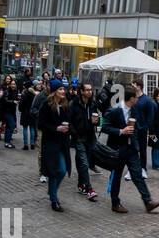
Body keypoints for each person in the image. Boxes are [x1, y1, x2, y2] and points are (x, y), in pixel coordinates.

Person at [102, 85, 159, 214]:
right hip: (117, 148)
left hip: (131, 148)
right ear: (131, 99)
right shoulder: (114, 110)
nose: (138, 99)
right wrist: (120, 131)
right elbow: (104, 127)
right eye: (136, 97)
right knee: (117, 176)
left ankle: (148, 201)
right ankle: (115, 203)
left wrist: (142, 132)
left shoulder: (134, 109)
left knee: (137, 174)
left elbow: (139, 124)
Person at [37, 80, 73, 212]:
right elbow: (41, 124)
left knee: (62, 170)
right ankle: (54, 200)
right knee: (53, 171)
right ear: (54, 91)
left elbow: (69, 121)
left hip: (62, 143)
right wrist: (56, 128)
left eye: (64, 89)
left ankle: (52, 192)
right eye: (60, 89)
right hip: (50, 143)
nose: (63, 92)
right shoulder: (46, 105)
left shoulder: (65, 105)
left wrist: (68, 127)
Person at [68, 81, 101, 202]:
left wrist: (96, 121)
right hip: (79, 138)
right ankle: (89, 189)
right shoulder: (74, 104)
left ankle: (81, 184)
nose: (89, 92)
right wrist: (74, 134)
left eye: (91, 90)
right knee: (84, 163)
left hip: (90, 137)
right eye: (87, 90)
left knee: (82, 161)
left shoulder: (92, 104)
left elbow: (97, 119)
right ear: (81, 91)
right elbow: (69, 120)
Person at [0, 77, 19, 147]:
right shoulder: (7, 91)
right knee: (12, 125)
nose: (13, 85)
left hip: (11, 112)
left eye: (14, 84)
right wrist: (13, 102)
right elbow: (5, 100)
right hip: (6, 111)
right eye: (12, 84)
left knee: (8, 126)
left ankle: (7, 141)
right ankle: (8, 142)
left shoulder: (15, 91)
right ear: (10, 85)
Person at [19, 79, 39, 150]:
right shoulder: (35, 94)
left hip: (25, 113)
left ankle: (26, 145)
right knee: (32, 128)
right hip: (32, 113)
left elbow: (21, 105)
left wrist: (20, 109)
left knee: (25, 128)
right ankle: (32, 144)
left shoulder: (24, 94)